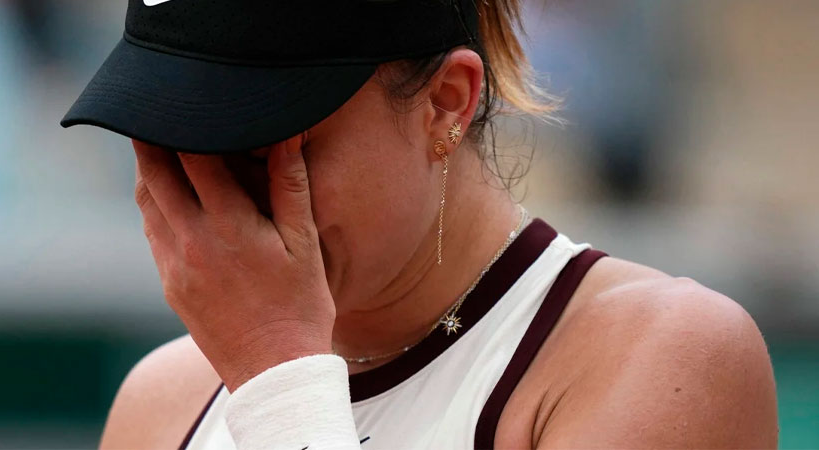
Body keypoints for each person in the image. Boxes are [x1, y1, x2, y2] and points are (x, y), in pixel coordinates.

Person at [61, 0, 778, 448]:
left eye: (267, 149)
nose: (223, 209)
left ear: (446, 103)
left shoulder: (668, 357)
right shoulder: (165, 400)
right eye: (177, 144)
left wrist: (280, 379)